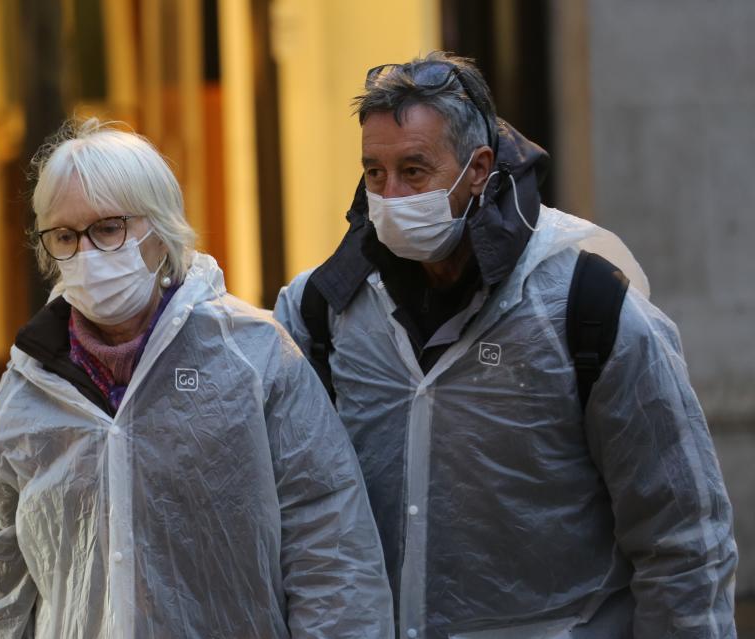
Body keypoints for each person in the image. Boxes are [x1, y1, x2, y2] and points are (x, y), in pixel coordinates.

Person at [274, 52, 737, 638]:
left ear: (478, 167)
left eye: (414, 171)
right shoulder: (321, 311)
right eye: (374, 173)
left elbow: (683, 539)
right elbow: (293, 527)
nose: (389, 196)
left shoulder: (585, 309)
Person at [0, 119, 393, 638]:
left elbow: (329, 537)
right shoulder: (33, 379)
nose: (87, 254)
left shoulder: (252, 354)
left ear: (160, 232)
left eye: (109, 228)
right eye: (66, 237)